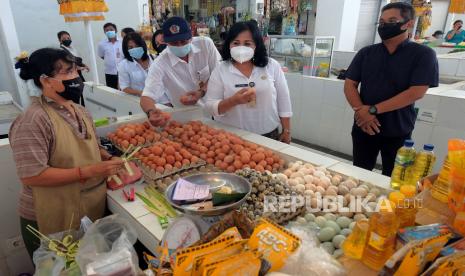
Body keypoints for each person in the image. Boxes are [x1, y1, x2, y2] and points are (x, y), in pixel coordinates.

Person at [10, 48, 124, 258]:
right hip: (50, 216)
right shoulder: (33, 120)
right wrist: (89, 171)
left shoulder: (80, 110)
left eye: (76, 71)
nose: (76, 78)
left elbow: (90, 146)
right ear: (46, 80)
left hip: (86, 207)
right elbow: (32, 175)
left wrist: (108, 157)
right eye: (68, 72)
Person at [344, 2, 438, 176]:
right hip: (363, 126)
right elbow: (349, 84)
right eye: (381, 21)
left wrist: (372, 110)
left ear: (408, 24)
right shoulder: (366, 53)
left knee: (394, 178)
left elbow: (416, 92)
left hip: (398, 130)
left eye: (392, 20)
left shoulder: (423, 55)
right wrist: (360, 110)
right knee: (359, 174)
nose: (384, 25)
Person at [204, 21, 292, 143]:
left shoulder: (271, 66)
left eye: (247, 43)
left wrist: (286, 130)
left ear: (256, 45)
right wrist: (233, 101)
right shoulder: (220, 70)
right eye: (236, 43)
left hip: (268, 133)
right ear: (229, 45)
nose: (241, 48)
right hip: (230, 137)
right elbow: (209, 107)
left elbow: (283, 99)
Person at [140, 16, 221, 126]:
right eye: (174, 43)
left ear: (191, 36)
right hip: (187, 119)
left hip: (216, 110)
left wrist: (201, 92)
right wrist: (151, 112)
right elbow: (147, 96)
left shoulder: (205, 45)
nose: (179, 46)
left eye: (183, 41)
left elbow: (218, 74)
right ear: (165, 42)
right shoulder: (160, 64)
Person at [118, 32, 171, 105]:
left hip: (163, 100)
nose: (135, 49)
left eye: (137, 46)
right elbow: (124, 87)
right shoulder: (124, 65)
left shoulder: (155, 58)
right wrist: (143, 93)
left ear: (142, 45)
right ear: (126, 49)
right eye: (130, 47)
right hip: (143, 102)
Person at [57, 30, 88, 105]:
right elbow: (66, 63)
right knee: (74, 93)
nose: (67, 40)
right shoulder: (61, 50)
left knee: (83, 90)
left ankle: (82, 108)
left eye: (68, 38)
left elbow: (77, 60)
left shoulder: (72, 48)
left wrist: (84, 65)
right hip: (70, 76)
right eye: (64, 38)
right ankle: (76, 108)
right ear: (59, 40)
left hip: (78, 74)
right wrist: (77, 67)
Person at [97, 22, 123, 89]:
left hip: (122, 71)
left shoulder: (122, 41)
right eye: (107, 30)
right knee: (112, 91)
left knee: (123, 91)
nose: (109, 31)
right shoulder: (101, 44)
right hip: (110, 72)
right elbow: (102, 56)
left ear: (116, 30)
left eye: (111, 30)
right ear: (104, 32)